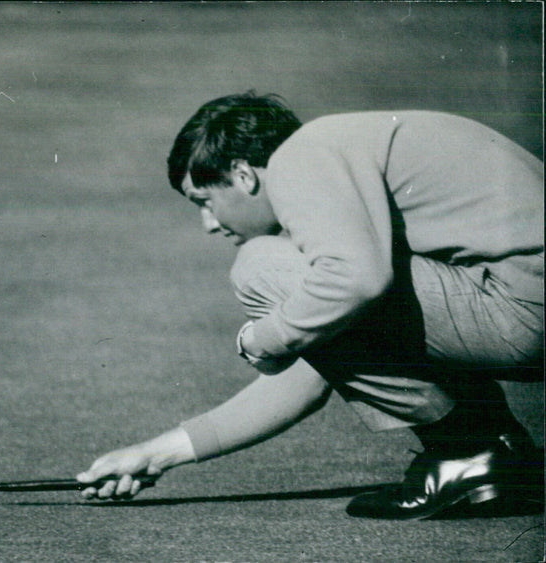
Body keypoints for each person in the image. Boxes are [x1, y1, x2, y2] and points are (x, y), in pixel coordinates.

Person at [76, 92, 544, 519]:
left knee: (259, 266)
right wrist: (154, 455)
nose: (209, 224)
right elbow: (312, 374)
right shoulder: (338, 153)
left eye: (205, 200)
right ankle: (492, 452)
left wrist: (259, 340)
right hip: (517, 304)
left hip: (522, 312)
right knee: (320, 301)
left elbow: (356, 282)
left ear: (242, 174)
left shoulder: (300, 158)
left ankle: (469, 452)